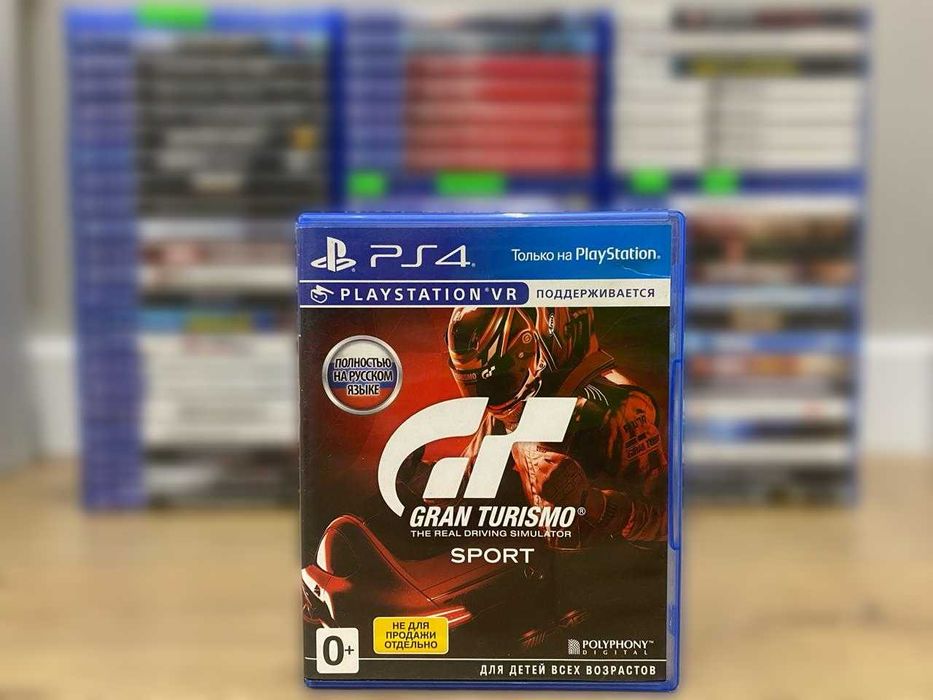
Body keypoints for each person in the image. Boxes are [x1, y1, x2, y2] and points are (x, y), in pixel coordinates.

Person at [444, 306, 668, 546]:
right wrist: (423, 481)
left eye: (499, 381)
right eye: (478, 387)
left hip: (604, 565)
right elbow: (468, 480)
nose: (491, 400)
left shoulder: (620, 409)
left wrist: (591, 502)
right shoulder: (510, 407)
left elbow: (668, 521)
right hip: (540, 563)